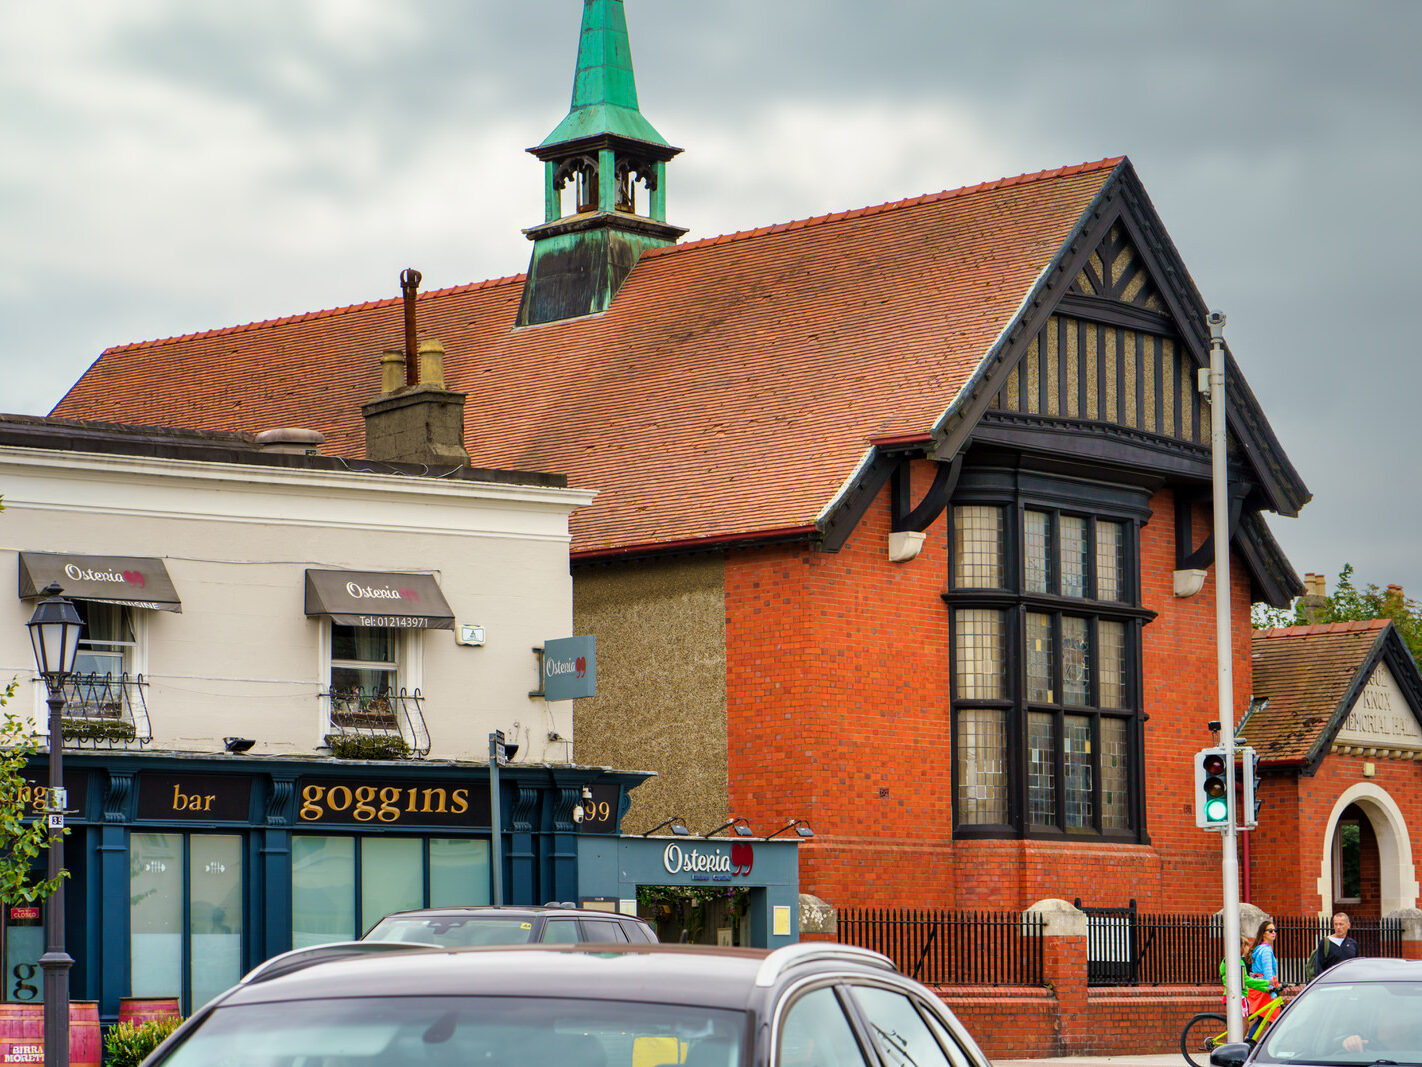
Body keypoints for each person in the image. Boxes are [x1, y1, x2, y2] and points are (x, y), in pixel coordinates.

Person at [1222, 932, 1274, 1037]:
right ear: (1240, 947)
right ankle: (1239, 1047)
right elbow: (1246, 981)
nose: (1247, 949)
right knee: (1244, 1024)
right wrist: (1267, 983)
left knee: (1249, 1019)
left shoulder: (1230, 961)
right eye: (1246, 946)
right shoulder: (1239, 962)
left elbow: (1246, 981)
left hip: (1232, 995)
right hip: (1239, 996)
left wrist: (1265, 989)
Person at [1248, 919, 1283, 995]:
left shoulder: (1258, 949)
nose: (1273, 933)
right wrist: (1272, 991)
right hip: (1266, 989)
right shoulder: (1266, 951)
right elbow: (1268, 971)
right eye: (1270, 931)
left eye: (1275, 930)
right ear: (1263, 934)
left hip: (1258, 986)